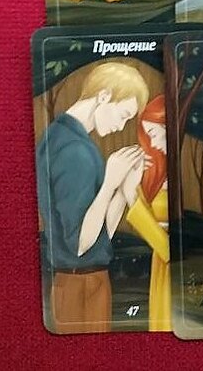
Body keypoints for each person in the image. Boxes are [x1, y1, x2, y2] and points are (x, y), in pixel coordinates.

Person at [35, 61, 150, 334]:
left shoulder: (62, 138)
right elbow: (80, 245)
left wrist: (122, 189)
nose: (121, 126)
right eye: (123, 115)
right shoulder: (76, 152)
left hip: (84, 281)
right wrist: (110, 183)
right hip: (79, 286)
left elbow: (100, 236)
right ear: (104, 96)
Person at [123, 95, 170, 331]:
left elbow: (169, 249)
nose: (152, 142)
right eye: (148, 134)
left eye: (154, 132)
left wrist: (131, 195)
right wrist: (134, 188)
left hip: (169, 263)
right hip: (160, 263)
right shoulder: (158, 173)